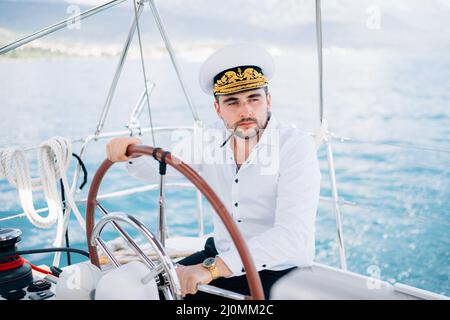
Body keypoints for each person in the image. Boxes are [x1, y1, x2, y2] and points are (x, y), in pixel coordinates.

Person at [106, 44, 321, 300]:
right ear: (217, 109)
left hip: (278, 267)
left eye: (254, 98)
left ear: (268, 101)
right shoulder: (208, 139)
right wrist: (130, 150)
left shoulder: (295, 147)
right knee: (144, 291)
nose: (246, 111)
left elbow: (292, 236)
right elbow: (158, 170)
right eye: (232, 102)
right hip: (220, 252)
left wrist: (212, 269)